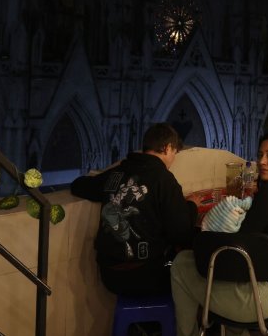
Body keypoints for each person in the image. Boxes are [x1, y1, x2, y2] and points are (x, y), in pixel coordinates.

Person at [170, 131, 268, 336]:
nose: (262, 161)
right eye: (260, 154)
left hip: (262, 300)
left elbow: (238, 244)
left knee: (182, 264)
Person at [69, 123, 196, 297]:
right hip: (147, 273)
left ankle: (144, 324)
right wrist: (191, 207)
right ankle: (177, 324)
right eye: (174, 152)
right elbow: (180, 234)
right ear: (167, 148)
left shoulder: (117, 173)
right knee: (192, 270)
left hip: (109, 274)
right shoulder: (164, 179)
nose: (173, 159)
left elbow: (79, 186)